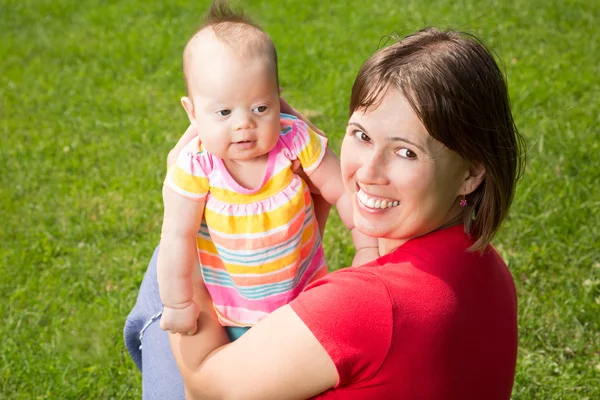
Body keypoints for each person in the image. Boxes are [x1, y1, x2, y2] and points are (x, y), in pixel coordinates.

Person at [126, 26, 525, 399]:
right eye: (362, 136)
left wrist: (183, 227)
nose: (367, 173)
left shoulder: (363, 305)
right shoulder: (488, 266)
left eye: (406, 151)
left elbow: (208, 387)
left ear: (471, 172)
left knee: (164, 272)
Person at [157, 1, 378, 338]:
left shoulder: (294, 140)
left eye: (260, 107)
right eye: (223, 112)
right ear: (192, 112)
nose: (244, 124)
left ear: (278, 99)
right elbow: (176, 237)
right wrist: (176, 304)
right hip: (235, 310)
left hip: (306, 293)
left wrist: (366, 247)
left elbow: (340, 191)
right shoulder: (197, 165)